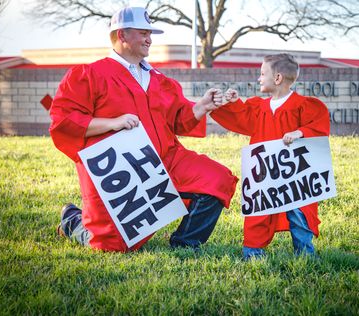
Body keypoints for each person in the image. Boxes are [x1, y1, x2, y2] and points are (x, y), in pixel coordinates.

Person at [49, 6, 238, 252]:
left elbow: (179, 119)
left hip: (167, 158)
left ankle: (185, 244)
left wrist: (202, 106)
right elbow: (64, 121)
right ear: (122, 35)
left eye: (149, 33)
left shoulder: (159, 79)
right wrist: (112, 123)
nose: (149, 39)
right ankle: (73, 220)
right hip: (122, 172)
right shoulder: (90, 74)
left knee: (217, 180)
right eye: (143, 33)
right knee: (111, 245)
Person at [210, 54, 330, 260]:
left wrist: (299, 133)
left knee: (299, 212)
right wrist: (233, 102)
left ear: (278, 78)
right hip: (264, 172)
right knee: (258, 213)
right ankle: (253, 254)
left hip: (295, 175)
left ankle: (305, 255)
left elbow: (319, 125)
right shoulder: (258, 107)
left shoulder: (303, 105)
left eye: (262, 73)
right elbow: (241, 118)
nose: (258, 78)